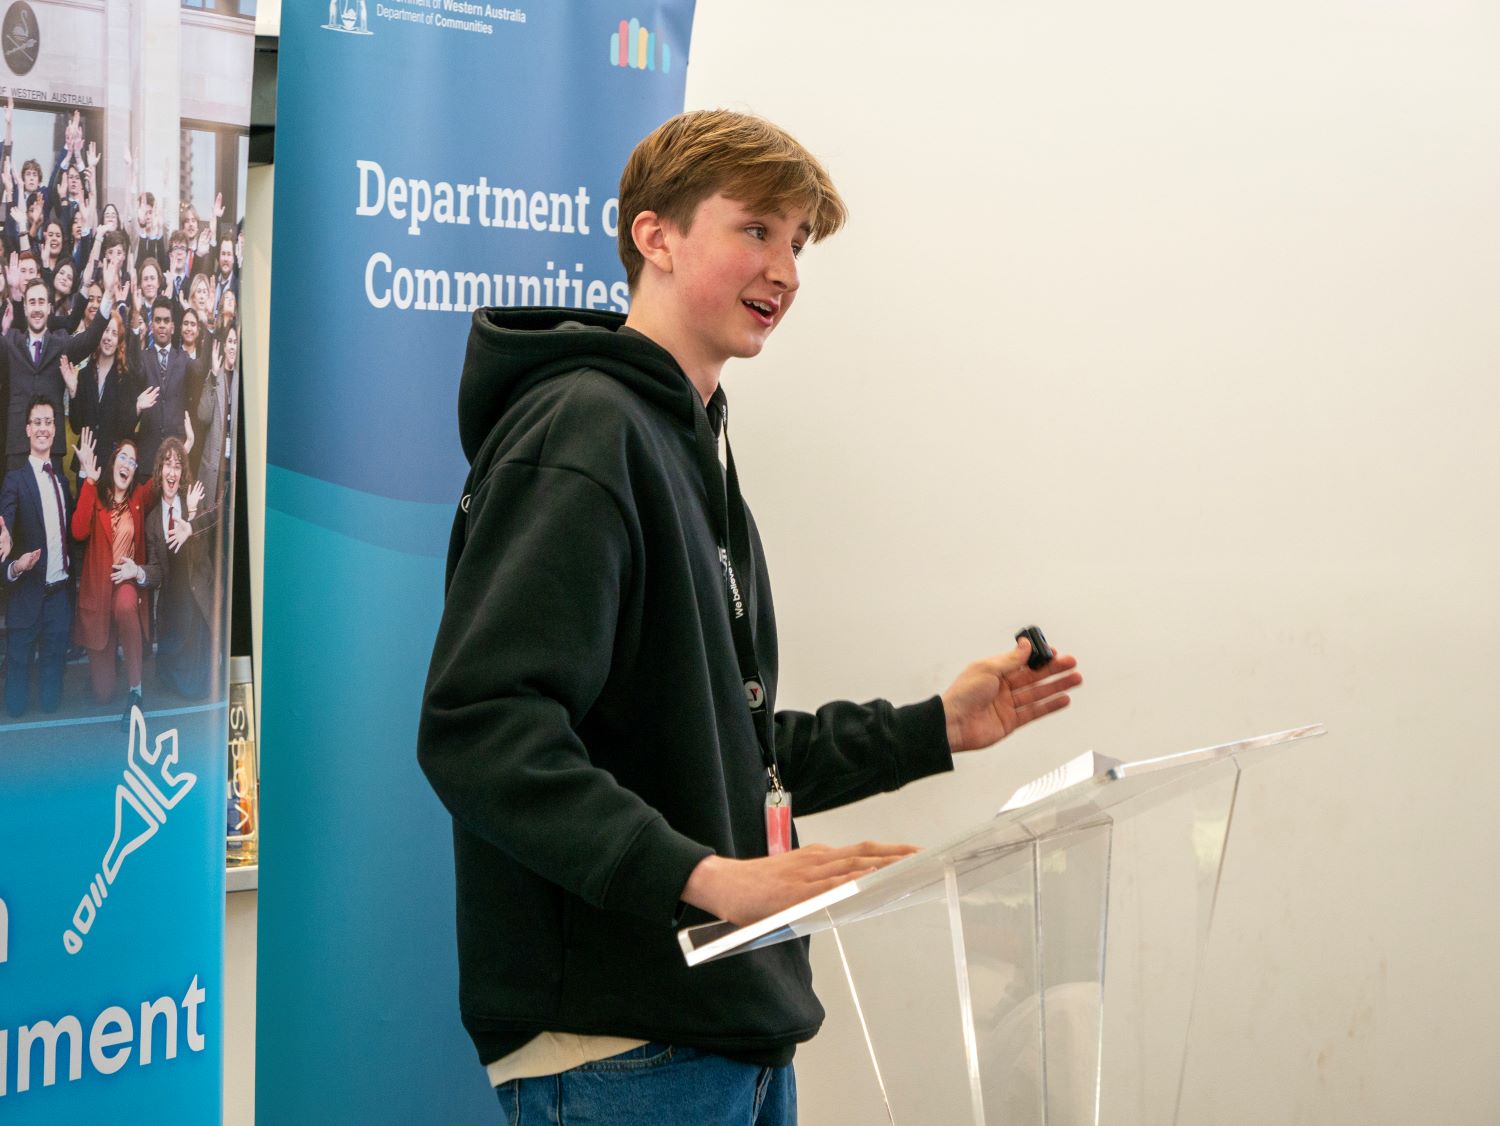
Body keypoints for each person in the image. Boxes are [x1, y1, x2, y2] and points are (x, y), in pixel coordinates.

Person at [416, 110, 1083, 1125]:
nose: (786, 268)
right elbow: (480, 728)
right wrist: (705, 878)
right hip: (622, 1047)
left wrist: (936, 726)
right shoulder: (585, 431)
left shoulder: (686, 441)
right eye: (758, 230)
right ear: (657, 236)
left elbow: (721, 746)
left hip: (729, 1028)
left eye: (799, 242)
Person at [71, 430, 157, 727]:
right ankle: (110, 668)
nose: (128, 464)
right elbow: (78, 531)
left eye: (133, 462)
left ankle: (136, 689)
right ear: (113, 463)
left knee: (124, 604)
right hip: (99, 597)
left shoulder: (138, 498)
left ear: (134, 472)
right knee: (103, 693)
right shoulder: (96, 495)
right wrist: (88, 479)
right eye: (123, 457)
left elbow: (162, 479)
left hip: (126, 586)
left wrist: (183, 446)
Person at [1, 396, 74, 716]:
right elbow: (5, 534)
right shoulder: (14, 481)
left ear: (55, 430)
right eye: (38, 423)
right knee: (15, 706)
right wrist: (15, 565)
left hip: (58, 595)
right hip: (26, 595)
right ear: (28, 430)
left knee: (51, 702)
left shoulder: (61, 481)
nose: (43, 428)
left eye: (49, 422)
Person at [1, 266, 113, 470]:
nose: (36, 308)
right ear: (24, 308)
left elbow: (90, 339)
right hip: (17, 447)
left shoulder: (60, 343)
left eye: (41, 302)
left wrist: (108, 295)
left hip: (51, 450)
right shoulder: (10, 342)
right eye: (32, 302)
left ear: (50, 308)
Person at [145, 436, 211, 699]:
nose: (172, 471)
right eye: (167, 464)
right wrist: (138, 573)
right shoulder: (152, 520)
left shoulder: (192, 501)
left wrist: (193, 515)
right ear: (159, 471)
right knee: (168, 675)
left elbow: (203, 554)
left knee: (197, 689)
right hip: (172, 600)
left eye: (177, 466)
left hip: (194, 595)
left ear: (182, 473)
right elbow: (156, 570)